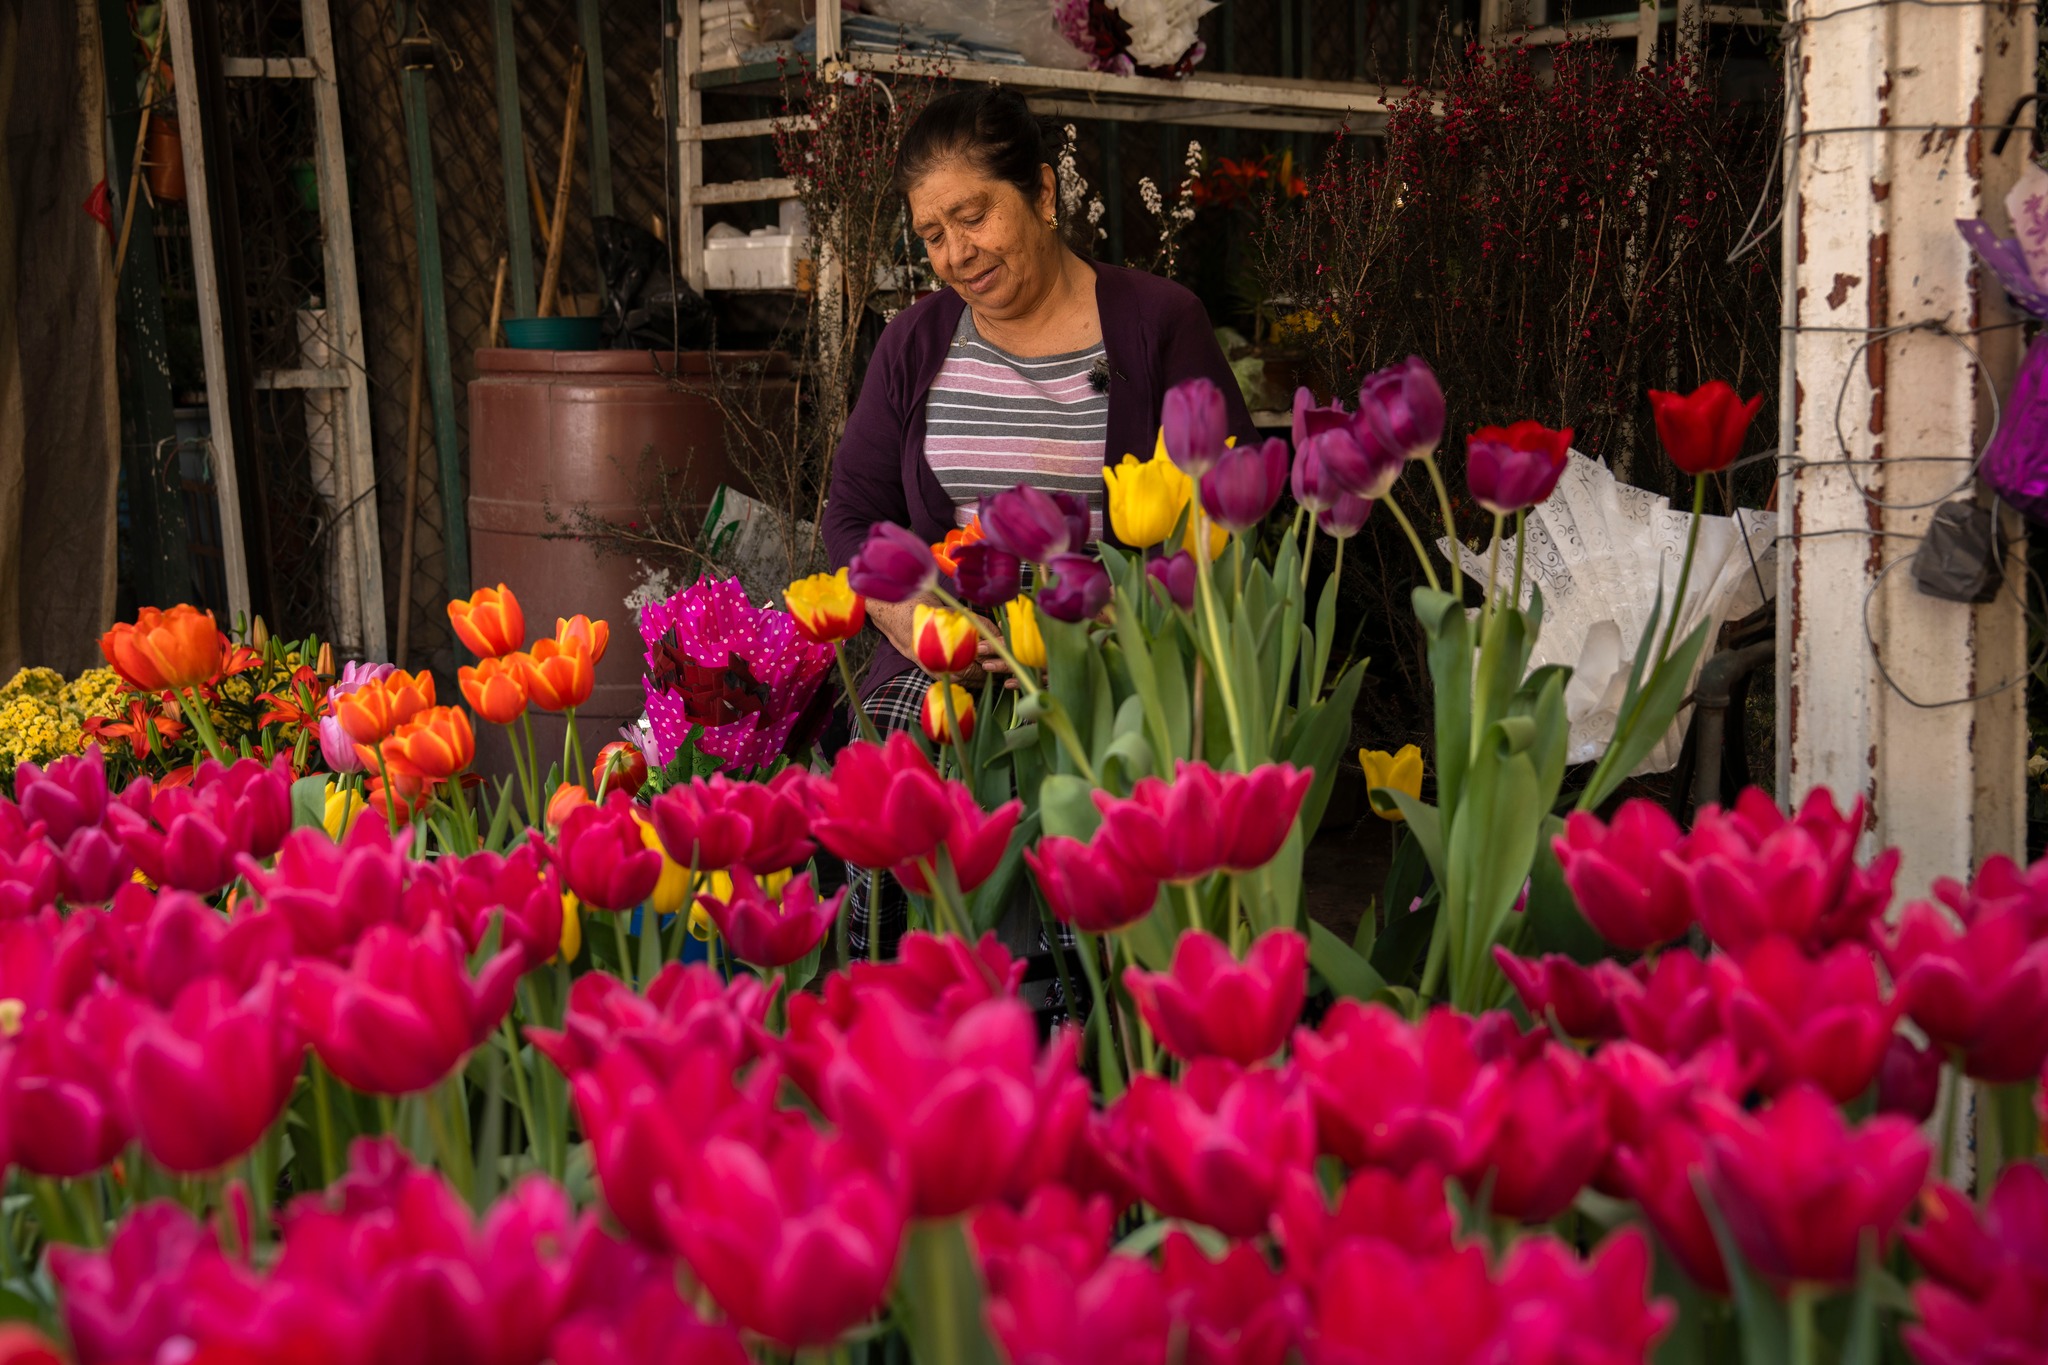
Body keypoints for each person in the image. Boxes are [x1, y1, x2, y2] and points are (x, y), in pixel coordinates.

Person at [821, 84, 1256, 958]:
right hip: (950, 657)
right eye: (933, 236)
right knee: (895, 769)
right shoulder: (916, 342)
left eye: (973, 217)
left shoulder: (1156, 325)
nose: (955, 255)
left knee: (1090, 809)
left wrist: (1113, 623)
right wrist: (912, 619)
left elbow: (1225, 503)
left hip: (1107, 655)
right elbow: (853, 515)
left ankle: (1086, 1043)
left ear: (1046, 194)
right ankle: (907, 1015)